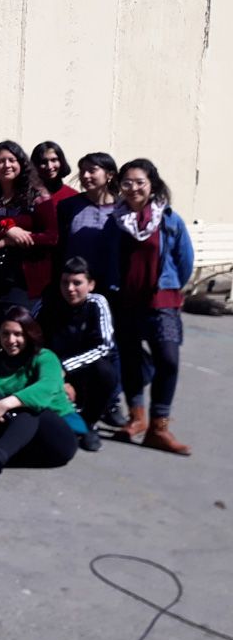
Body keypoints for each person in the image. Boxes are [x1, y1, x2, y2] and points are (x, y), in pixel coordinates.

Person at [0, 306, 86, 490]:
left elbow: (46, 387)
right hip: (17, 438)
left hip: (55, 438)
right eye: (5, 334)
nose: (11, 340)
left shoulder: (45, 357)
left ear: (29, 334)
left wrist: (5, 404)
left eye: (18, 334)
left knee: (28, 407)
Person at [106, 159, 194, 455]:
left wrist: (171, 286)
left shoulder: (169, 219)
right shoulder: (116, 221)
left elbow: (184, 261)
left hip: (161, 301)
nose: (133, 188)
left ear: (152, 184)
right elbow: (111, 259)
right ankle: (137, 418)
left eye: (139, 182)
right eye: (127, 183)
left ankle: (159, 426)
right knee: (131, 359)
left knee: (168, 359)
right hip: (125, 301)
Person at [0, 141, 57, 332]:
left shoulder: (38, 197)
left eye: (12, 160)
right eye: (0, 161)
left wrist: (9, 241)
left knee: (20, 331)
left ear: (21, 163)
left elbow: (51, 237)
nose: (6, 165)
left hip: (26, 279)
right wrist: (4, 231)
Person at [39, 257, 118, 452]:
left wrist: (65, 367)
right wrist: (55, 373)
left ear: (90, 285)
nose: (70, 288)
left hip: (81, 368)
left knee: (106, 373)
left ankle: (89, 423)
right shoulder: (50, 302)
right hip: (52, 368)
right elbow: (33, 340)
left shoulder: (97, 303)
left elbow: (104, 346)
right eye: (65, 282)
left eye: (77, 283)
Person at [57, 152, 119, 284]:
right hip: (76, 284)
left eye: (92, 171)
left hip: (113, 283)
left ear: (110, 175)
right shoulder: (68, 207)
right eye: (82, 171)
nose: (85, 176)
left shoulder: (123, 209)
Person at [31, 141, 78, 209]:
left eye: (54, 160)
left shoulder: (72, 196)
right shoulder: (27, 195)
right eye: (43, 162)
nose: (49, 167)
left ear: (61, 162)